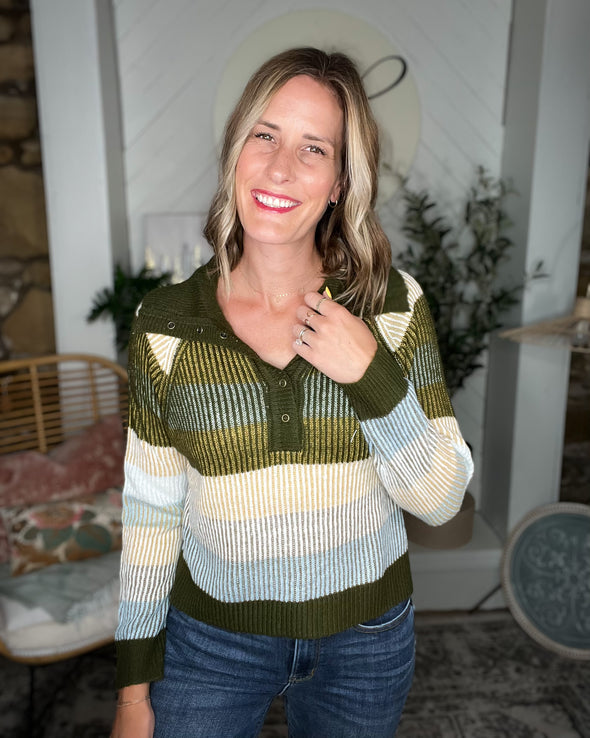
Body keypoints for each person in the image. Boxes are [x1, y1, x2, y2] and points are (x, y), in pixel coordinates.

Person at [111, 46, 473, 738]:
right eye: (265, 135)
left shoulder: (392, 306)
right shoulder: (165, 323)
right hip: (212, 643)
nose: (280, 168)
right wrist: (133, 694)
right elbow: (151, 517)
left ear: (340, 182)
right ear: (235, 151)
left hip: (366, 643)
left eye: (314, 149)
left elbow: (441, 501)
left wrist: (371, 375)